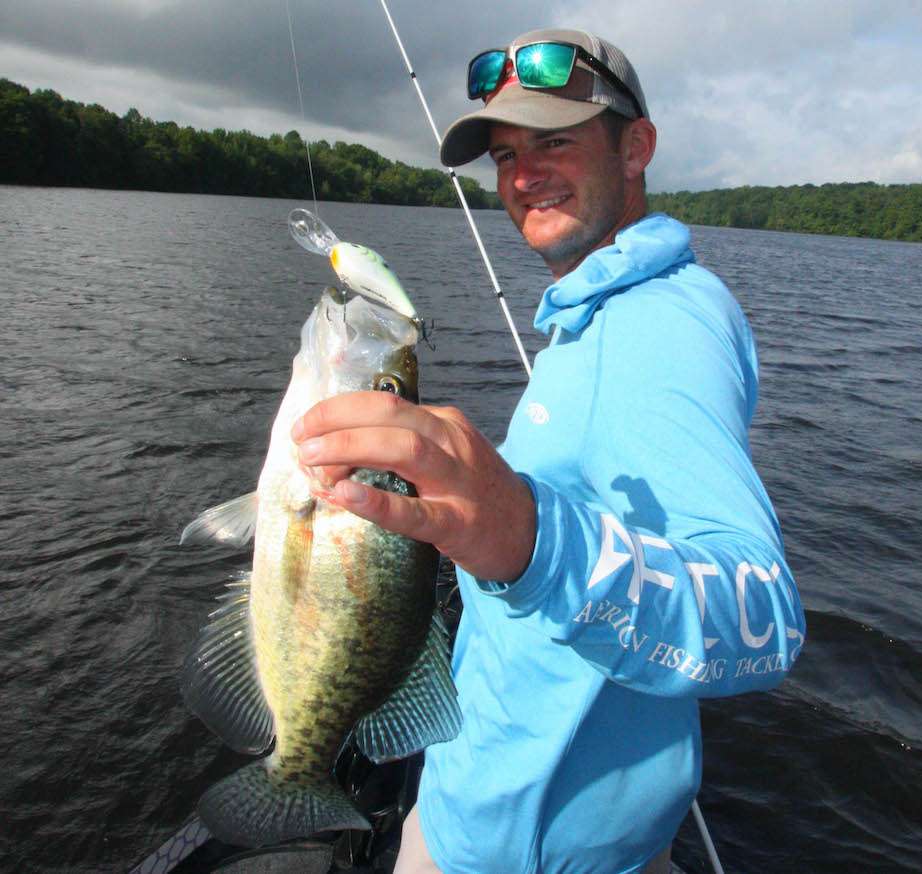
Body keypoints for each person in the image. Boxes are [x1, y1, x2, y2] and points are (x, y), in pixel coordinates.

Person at [292, 28, 806, 874]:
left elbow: (765, 618)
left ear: (635, 146)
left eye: (555, 141)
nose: (523, 174)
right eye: (505, 154)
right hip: (472, 805)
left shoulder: (662, 326)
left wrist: (530, 537)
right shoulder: (598, 314)